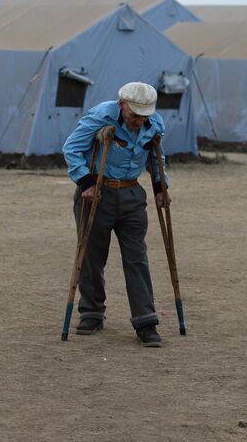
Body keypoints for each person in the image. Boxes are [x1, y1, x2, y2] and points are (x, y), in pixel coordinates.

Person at [62, 81, 171, 347]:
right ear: (122, 104)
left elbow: (157, 158)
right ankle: (92, 312)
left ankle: (146, 322)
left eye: (143, 115)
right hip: (98, 191)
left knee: (137, 257)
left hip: (132, 195)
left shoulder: (154, 123)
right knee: (91, 254)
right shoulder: (100, 116)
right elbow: (71, 149)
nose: (138, 121)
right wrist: (86, 183)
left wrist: (160, 187)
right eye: (134, 115)